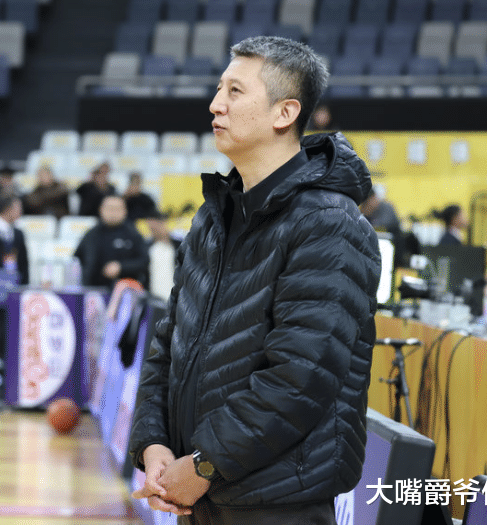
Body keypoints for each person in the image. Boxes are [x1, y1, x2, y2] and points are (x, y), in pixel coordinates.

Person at [128, 36, 380, 524]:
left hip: (276, 503)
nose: (215, 104)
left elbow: (300, 377)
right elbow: (168, 345)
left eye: (235, 91)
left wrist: (204, 464)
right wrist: (153, 445)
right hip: (198, 495)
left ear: (284, 113)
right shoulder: (212, 219)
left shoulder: (330, 223)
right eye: (219, 88)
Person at [74, 195, 149, 289]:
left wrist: (121, 267)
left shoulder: (133, 234)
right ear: (101, 209)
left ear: (125, 211)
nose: (113, 213)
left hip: (126, 290)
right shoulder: (91, 234)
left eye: (117, 209)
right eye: (109, 208)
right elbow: (76, 259)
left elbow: (144, 261)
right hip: (94, 290)